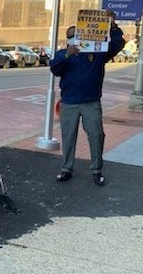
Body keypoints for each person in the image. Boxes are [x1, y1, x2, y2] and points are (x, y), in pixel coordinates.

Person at [50, 10, 125, 186]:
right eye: (69, 37)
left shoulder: (97, 52)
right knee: (68, 136)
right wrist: (68, 54)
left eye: (74, 35)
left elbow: (117, 44)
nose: (72, 39)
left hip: (91, 101)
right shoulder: (63, 54)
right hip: (69, 102)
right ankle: (66, 168)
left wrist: (113, 26)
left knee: (96, 134)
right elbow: (54, 69)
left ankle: (97, 170)